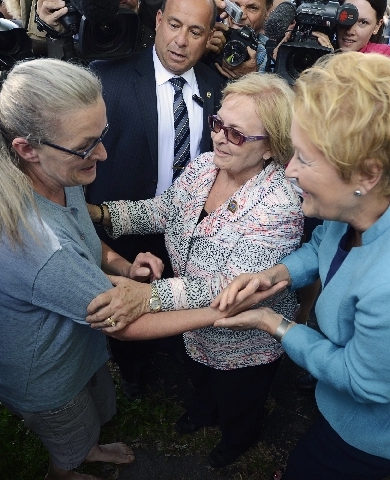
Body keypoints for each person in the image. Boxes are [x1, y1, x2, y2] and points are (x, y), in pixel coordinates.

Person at [212, 53, 390, 479]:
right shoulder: (381, 188)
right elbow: (327, 243)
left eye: (304, 158)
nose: (289, 171)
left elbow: (362, 382)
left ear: (367, 173)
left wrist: (275, 324)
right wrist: (277, 274)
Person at [0, 58, 162, 480]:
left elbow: (81, 238)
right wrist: (220, 309)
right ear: (27, 148)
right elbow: (123, 323)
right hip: (46, 380)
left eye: (101, 135)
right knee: (69, 442)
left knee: (91, 419)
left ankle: (89, 449)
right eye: (86, 146)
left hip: (75, 353)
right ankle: (64, 472)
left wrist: (123, 266)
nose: (103, 154)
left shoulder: (58, 178)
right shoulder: (37, 245)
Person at [87, 73, 303, 468]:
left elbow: (230, 287)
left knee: (239, 398)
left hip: (243, 343)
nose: (219, 138)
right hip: (192, 327)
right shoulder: (205, 166)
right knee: (200, 378)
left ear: (271, 147)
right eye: (218, 123)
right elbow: (165, 209)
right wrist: (100, 214)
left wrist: (151, 296)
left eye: (237, 134)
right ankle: (203, 412)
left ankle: (235, 441)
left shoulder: (281, 206)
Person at [85, 0, 225, 400]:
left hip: (189, 234)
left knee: (179, 301)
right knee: (127, 307)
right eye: (174, 25)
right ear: (159, 20)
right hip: (122, 229)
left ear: (209, 37)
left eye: (195, 32)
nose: (181, 41)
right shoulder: (107, 78)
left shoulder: (217, 87)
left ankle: (184, 363)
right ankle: (132, 373)